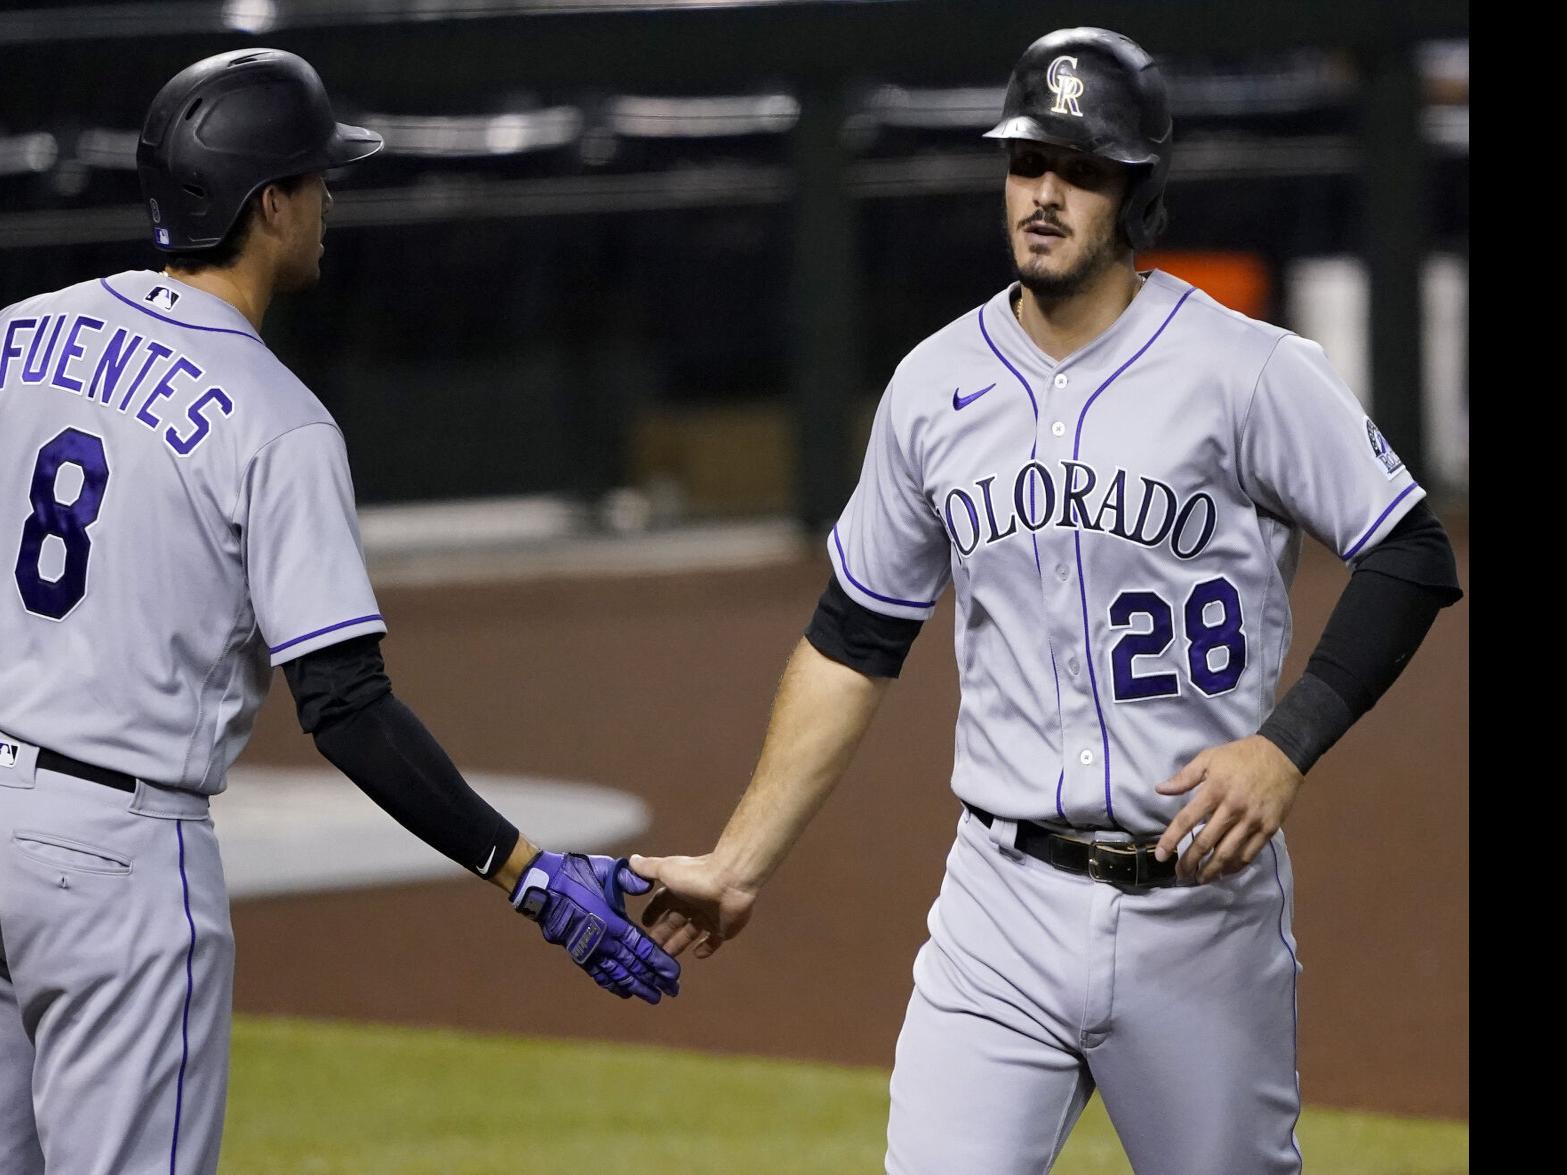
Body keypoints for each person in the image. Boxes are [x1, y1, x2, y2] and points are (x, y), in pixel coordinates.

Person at [631, 25, 1462, 1175]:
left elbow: (1412, 552)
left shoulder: (1247, 370)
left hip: (1197, 913)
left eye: (1079, 170)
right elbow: (854, 636)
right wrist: (737, 861)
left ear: (1134, 191)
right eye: (1027, 163)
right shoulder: (932, 388)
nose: (1043, 194)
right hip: (999, 906)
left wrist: (1286, 745)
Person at [0, 48, 677, 1175]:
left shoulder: (20, 334)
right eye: (318, 181)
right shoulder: (279, 420)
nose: (329, 204)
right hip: (114, 869)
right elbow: (346, 704)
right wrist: (520, 869)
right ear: (268, 205)